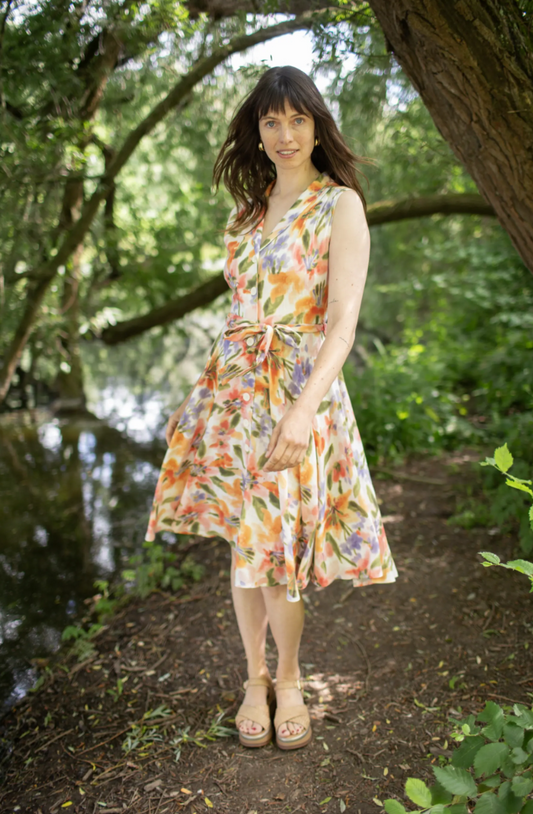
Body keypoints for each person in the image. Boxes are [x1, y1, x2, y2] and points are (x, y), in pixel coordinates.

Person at [145, 66, 398, 751]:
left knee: (279, 547)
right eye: (271, 121)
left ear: (317, 127)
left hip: (297, 391)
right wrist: (194, 403)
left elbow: (341, 324)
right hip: (232, 395)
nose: (285, 134)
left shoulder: (339, 205)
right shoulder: (246, 213)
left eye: (297, 120)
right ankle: (253, 678)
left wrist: (301, 411)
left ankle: (289, 680)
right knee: (244, 543)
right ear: (256, 133)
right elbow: (236, 318)